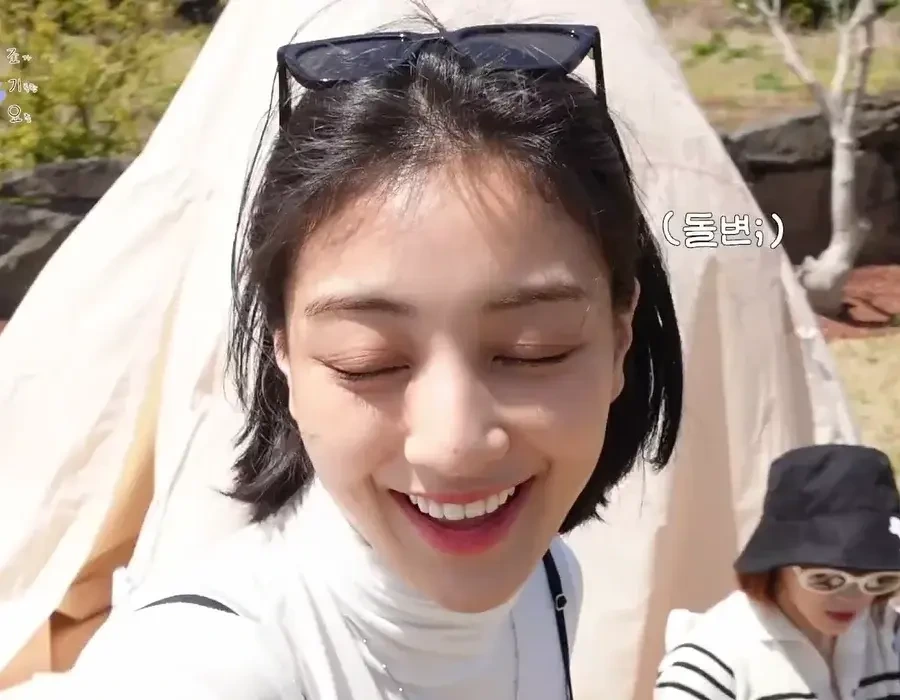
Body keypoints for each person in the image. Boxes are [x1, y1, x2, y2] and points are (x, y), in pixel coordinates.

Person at [1, 20, 684, 700]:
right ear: (283, 352)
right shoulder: (205, 667)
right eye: (369, 362)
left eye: (533, 351)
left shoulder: (548, 581)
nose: (453, 445)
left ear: (621, 338)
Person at [655, 444, 900, 700]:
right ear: (779, 566)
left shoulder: (889, 635)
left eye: (878, 581)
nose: (853, 597)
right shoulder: (708, 668)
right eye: (827, 579)